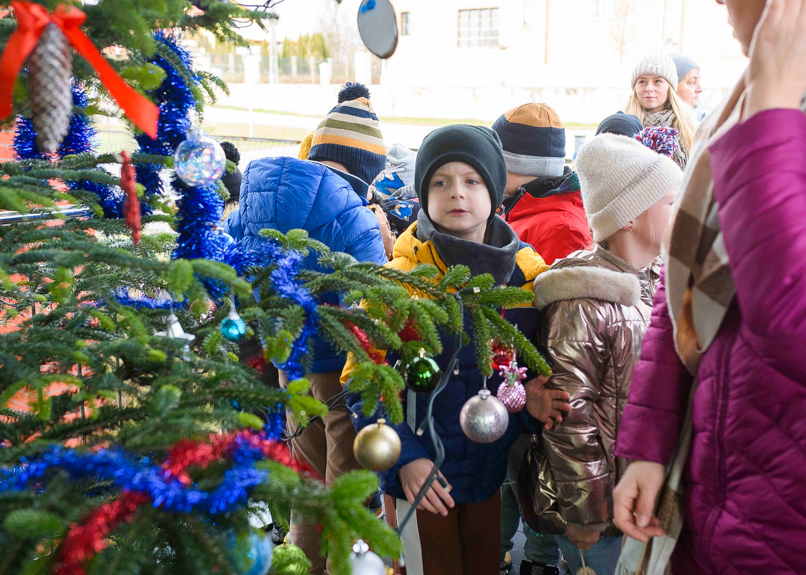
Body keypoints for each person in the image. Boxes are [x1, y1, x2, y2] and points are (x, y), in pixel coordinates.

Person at [613, 1, 806, 573]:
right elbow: (685, 298)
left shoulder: (762, 109)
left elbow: (791, 326)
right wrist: (650, 444)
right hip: (708, 493)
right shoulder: (739, 109)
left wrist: (771, 117)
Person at [344, 125, 571, 575]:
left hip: (486, 479)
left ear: (494, 190)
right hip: (419, 482)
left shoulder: (525, 280)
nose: (456, 193)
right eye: (440, 182)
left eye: (471, 180)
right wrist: (406, 457)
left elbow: (514, 375)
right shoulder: (398, 283)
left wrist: (531, 406)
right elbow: (361, 379)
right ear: (423, 195)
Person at [227, 82, 389, 574]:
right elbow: (372, 305)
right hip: (337, 373)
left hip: (286, 364)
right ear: (366, 170)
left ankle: (299, 564)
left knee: (306, 487)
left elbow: (231, 276)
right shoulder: (354, 217)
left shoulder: (255, 196)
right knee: (345, 489)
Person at [529, 134, 681, 574]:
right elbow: (569, 417)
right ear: (630, 217)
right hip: (603, 511)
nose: (678, 211)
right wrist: (586, 512)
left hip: (644, 490)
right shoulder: (583, 299)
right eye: (668, 202)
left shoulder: (658, 280)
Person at [492, 103, 593, 265]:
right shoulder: (519, 204)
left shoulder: (562, 230)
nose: (490, 171)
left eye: (495, 163)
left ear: (519, 166)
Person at [624, 47, 695, 169]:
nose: (649, 88)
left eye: (657, 81)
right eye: (642, 81)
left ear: (670, 87)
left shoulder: (688, 126)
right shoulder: (622, 124)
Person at [671, 53, 706, 121]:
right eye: (692, 82)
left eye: (698, 81)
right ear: (672, 87)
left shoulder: (702, 120)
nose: (699, 89)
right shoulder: (659, 128)